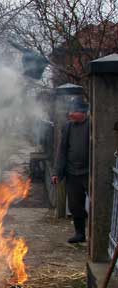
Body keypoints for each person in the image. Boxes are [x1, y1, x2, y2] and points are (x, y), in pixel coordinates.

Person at [51, 98, 90, 243]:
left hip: (89, 172)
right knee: (74, 205)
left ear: (83, 113)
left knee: (95, 204)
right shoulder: (68, 127)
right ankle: (80, 234)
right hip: (72, 172)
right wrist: (56, 172)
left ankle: (100, 235)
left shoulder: (92, 125)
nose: (70, 114)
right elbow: (62, 150)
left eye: (73, 111)